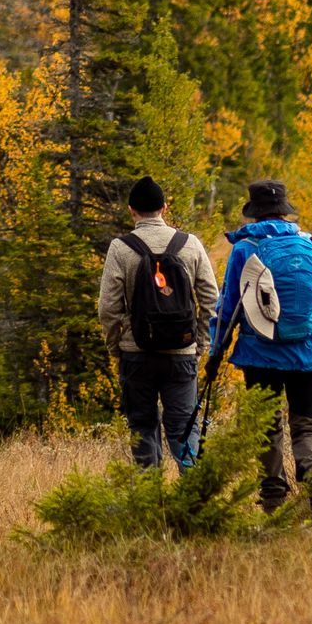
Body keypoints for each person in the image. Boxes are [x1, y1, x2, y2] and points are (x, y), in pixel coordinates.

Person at [206, 177, 312, 510]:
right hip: (310, 353)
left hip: (261, 355)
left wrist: (216, 352)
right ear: (284, 210)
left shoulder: (246, 249)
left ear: (254, 212)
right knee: (308, 422)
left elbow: (228, 306)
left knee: (267, 422)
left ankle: (273, 496)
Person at [97, 174, 220, 470]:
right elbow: (212, 299)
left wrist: (117, 347)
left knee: (142, 427)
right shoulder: (190, 244)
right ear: (165, 208)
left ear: (132, 210)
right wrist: (201, 343)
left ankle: (151, 501)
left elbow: (108, 308)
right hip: (181, 353)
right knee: (183, 428)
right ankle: (193, 500)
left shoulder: (121, 248)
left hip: (136, 353)